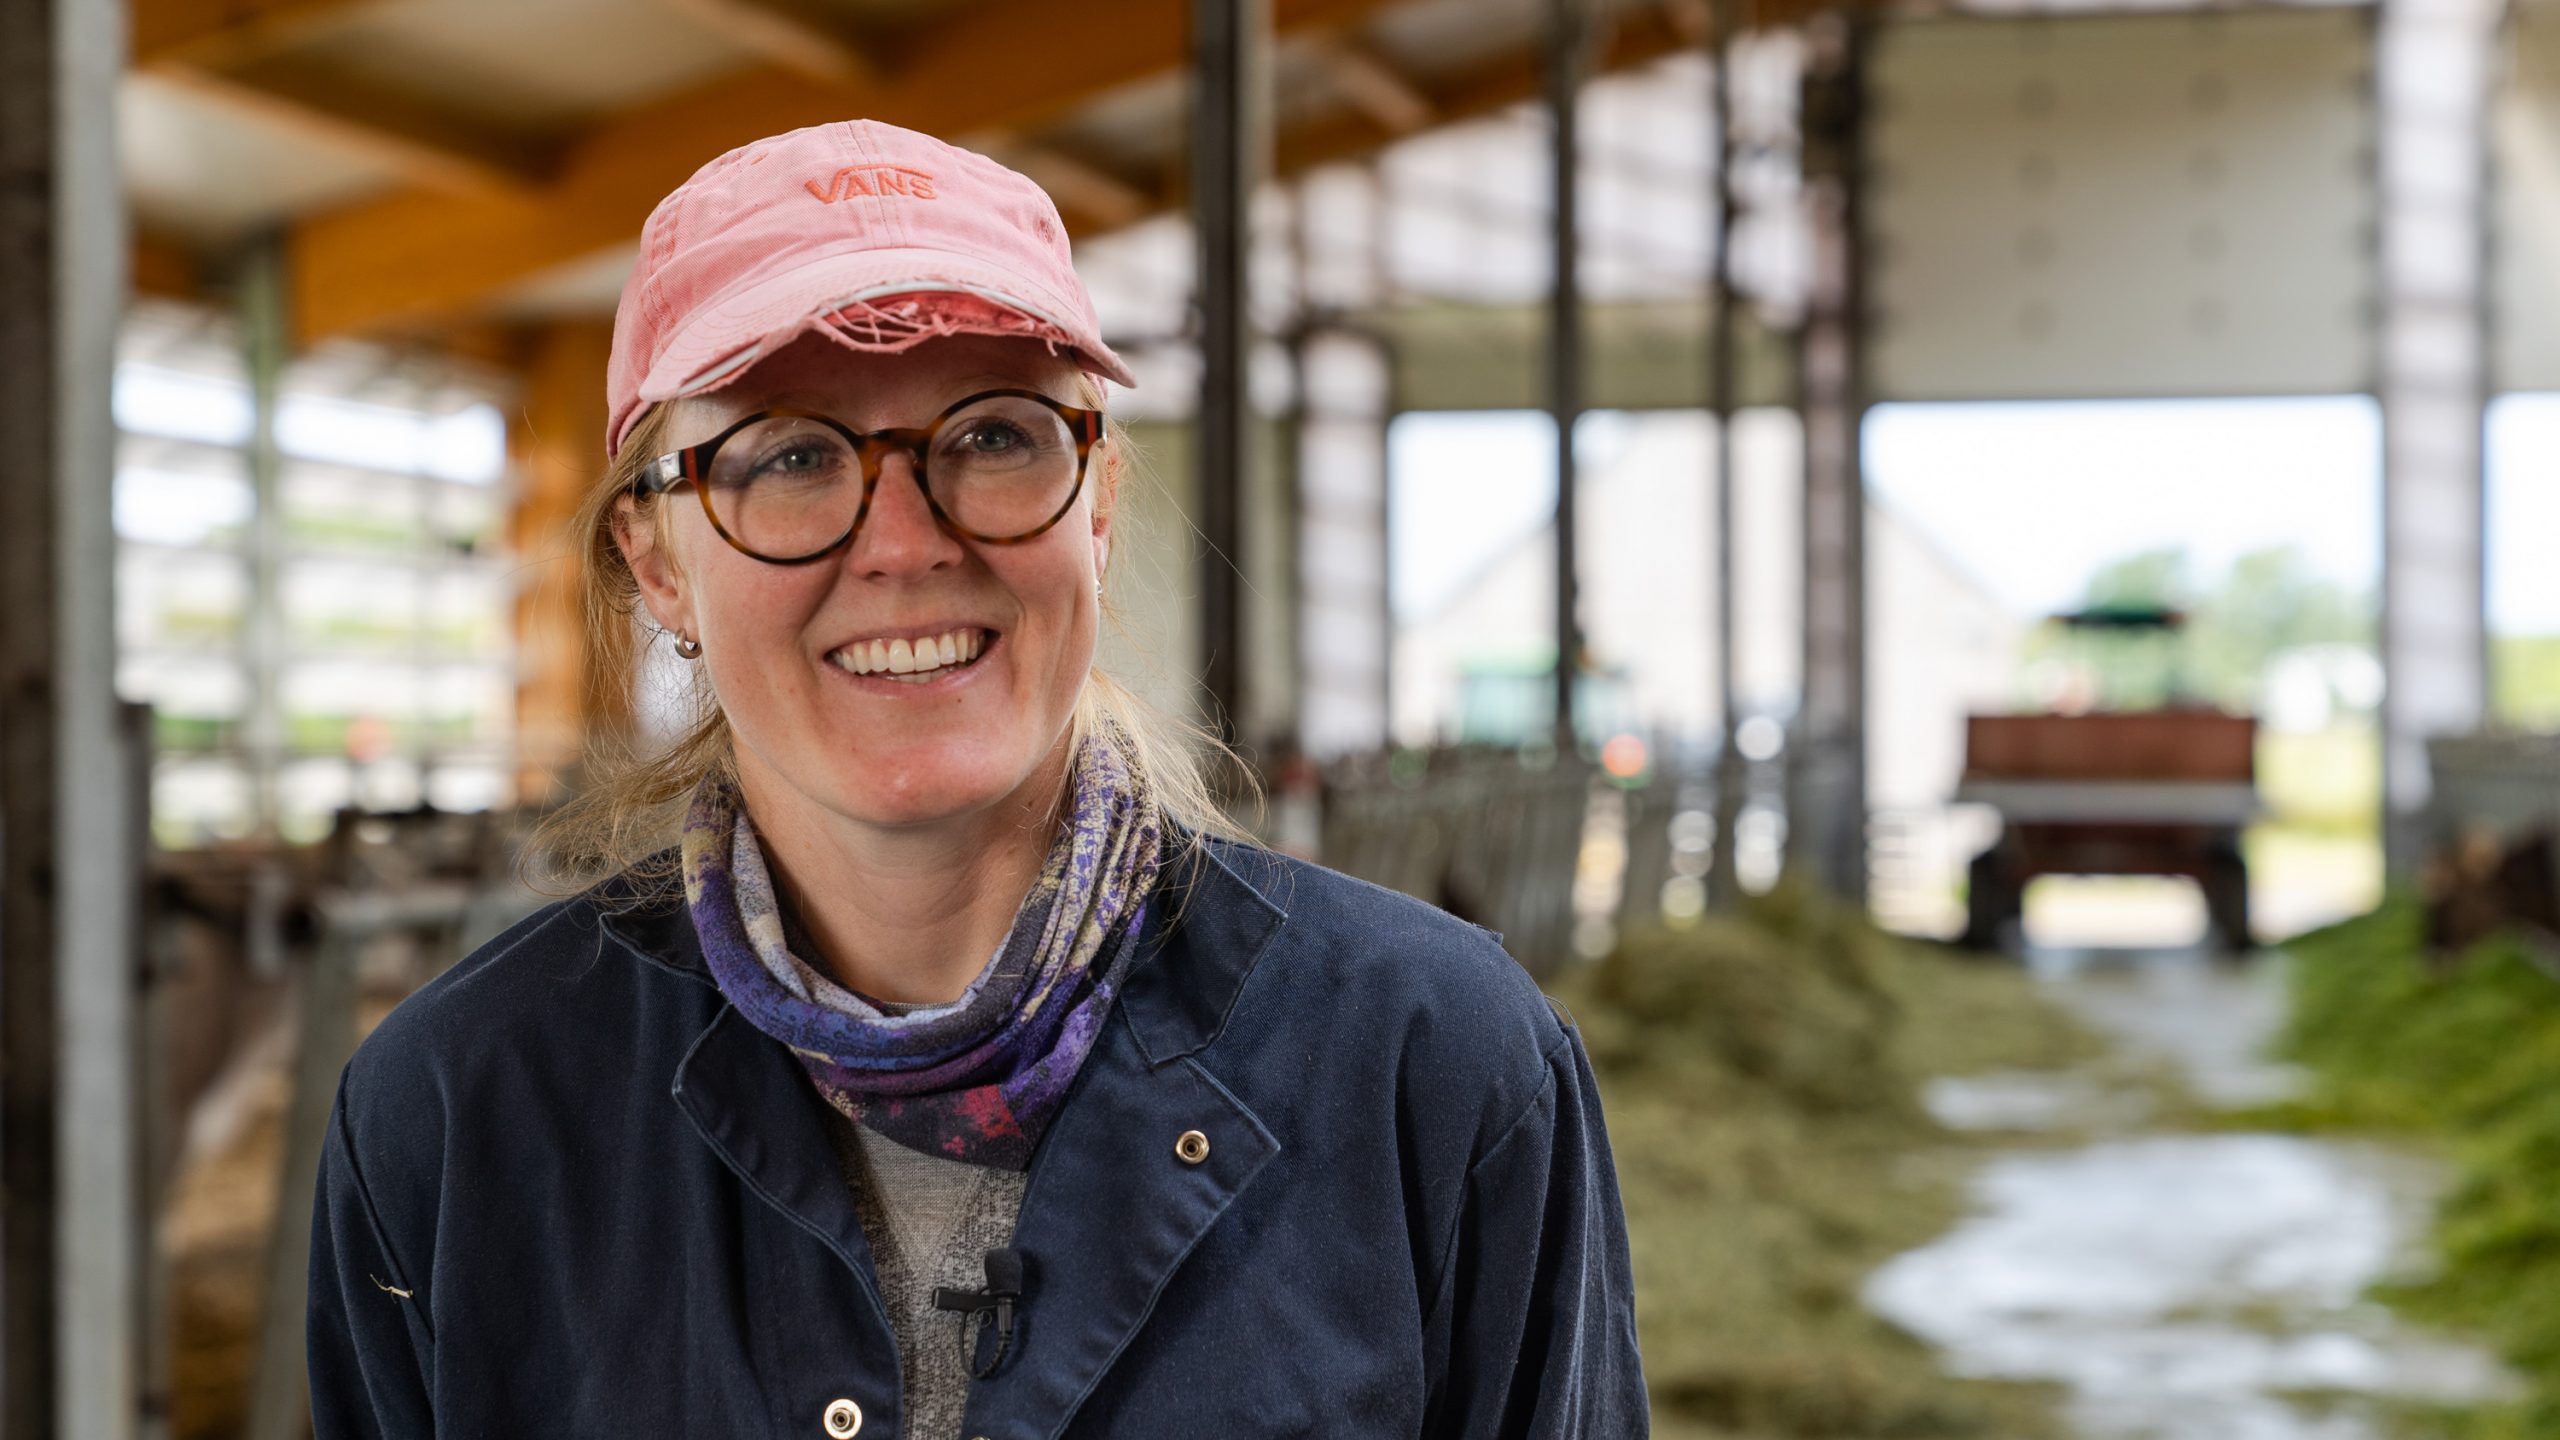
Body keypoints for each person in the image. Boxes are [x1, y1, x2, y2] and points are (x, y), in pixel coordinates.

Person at [306, 117, 1646, 1439]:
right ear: (660, 564)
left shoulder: (1434, 1065)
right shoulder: (457, 1118)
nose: (905, 542)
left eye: (996, 436)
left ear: (1099, 499)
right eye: (788, 455)